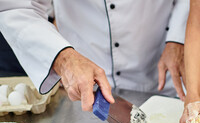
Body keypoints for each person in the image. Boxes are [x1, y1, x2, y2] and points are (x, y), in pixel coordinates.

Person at [0, 0, 189, 111]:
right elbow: (17, 7)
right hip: (82, 83)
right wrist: (63, 59)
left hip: (157, 68)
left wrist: (178, 38)